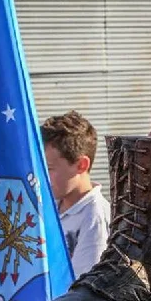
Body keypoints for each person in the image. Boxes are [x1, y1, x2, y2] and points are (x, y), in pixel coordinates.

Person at [41, 110, 111, 279]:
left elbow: (82, 289)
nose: (41, 177)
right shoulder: (51, 204)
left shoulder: (94, 217)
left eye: (49, 169)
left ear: (81, 165)